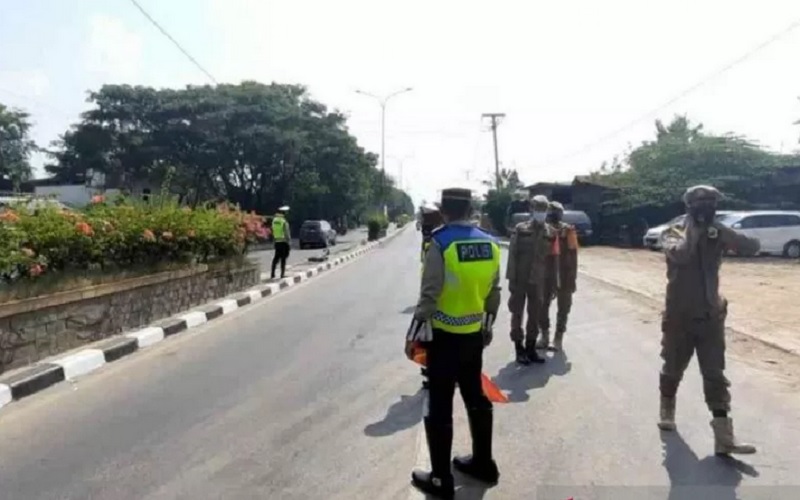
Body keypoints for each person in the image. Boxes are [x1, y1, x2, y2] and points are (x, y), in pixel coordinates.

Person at [406, 187, 501, 499]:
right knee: (475, 396)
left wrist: (414, 333)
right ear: (471, 208)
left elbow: (430, 293)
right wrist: (486, 328)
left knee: (440, 404)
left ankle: (440, 479)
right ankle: (484, 464)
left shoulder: (441, 242)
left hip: (444, 337)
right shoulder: (489, 242)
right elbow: (493, 291)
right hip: (474, 335)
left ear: (444, 211)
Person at [658, 185, 760, 456]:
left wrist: (720, 230)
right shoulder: (674, 230)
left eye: (712, 202)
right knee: (673, 366)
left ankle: (724, 437)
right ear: (690, 205)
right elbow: (680, 254)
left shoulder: (718, 230)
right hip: (680, 315)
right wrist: (696, 229)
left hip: (710, 317)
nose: (708, 207)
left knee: (714, 374)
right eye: (702, 202)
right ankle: (667, 407)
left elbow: (751, 246)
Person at [506, 195, 558, 365]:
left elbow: (552, 261)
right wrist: (511, 280)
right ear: (531, 209)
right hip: (520, 279)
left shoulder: (551, 233)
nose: (540, 213)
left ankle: (531, 349)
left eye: (543, 210)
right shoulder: (521, 229)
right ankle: (518, 348)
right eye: (538, 209)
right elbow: (512, 256)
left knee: (534, 316)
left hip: (539, 281)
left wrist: (553, 284)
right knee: (517, 313)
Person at [538, 201, 579, 352]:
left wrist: (573, 278)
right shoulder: (541, 230)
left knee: (564, 308)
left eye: (555, 212)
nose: (553, 216)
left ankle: (558, 338)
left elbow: (574, 255)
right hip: (545, 275)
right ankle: (544, 336)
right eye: (551, 212)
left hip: (565, 274)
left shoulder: (569, 231)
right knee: (542, 307)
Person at [271, 206, 291, 280]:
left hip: (277, 241)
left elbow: (273, 230)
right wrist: (289, 241)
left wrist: (274, 239)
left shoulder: (274, 220)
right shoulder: (283, 221)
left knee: (276, 258)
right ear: (284, 213)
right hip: (284, 242)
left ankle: (272, 274)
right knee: (283, 258)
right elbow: (286, 232)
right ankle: (282, 274)